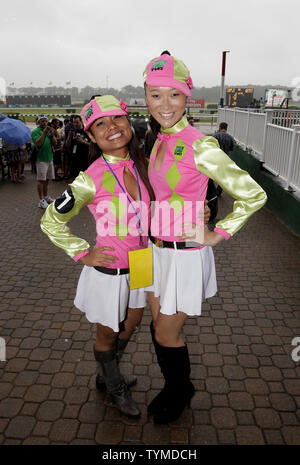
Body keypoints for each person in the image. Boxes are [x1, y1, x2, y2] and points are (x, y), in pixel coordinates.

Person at [143, 51, 267, 424]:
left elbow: (254, 194)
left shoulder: (201, 144)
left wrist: (216, 233)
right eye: (155, 95)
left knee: (167, 333)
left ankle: (180, 391)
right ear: (146, 97)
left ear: (187, 97)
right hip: (155, 250)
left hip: (184, 254)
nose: (165, 104)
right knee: (155, 326)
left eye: (174, 95)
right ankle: (174, 386)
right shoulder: (158, 138)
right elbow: (165, 194)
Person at [40, 95, 155, 418]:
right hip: (111, 269)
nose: (112, 128)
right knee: (107, 332)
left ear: (128, 121)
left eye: (116, 118)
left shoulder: (141, 163)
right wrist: (83, 252)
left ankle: (108, 374)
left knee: (131, 323)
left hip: (143, 261)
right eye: (100, 125)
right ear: (90, 136)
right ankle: (113, 385)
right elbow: (50, 220)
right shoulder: (90, 177)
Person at [31, 115, 57, 208]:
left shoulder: (49, 131)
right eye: (42, 121)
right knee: (41, 180)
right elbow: (39, 143)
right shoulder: (35, 132)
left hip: (49, 158)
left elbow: (55, 143)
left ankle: (46, 196)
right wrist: (44, 133)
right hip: (40, 159)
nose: (44, 123)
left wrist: (52, 134)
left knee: (47, 179)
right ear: (38, 123)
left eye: (45, 121)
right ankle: (41, 200)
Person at [214, 122, 235, 196]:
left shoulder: (216, 136)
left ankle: (211, 191)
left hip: (216, 158)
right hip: (225, 159)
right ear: (226, 128)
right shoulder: (230, 137)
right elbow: (232, 148)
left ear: (220, 127)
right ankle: (218, 192)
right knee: (223, 176)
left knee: (212, 174)